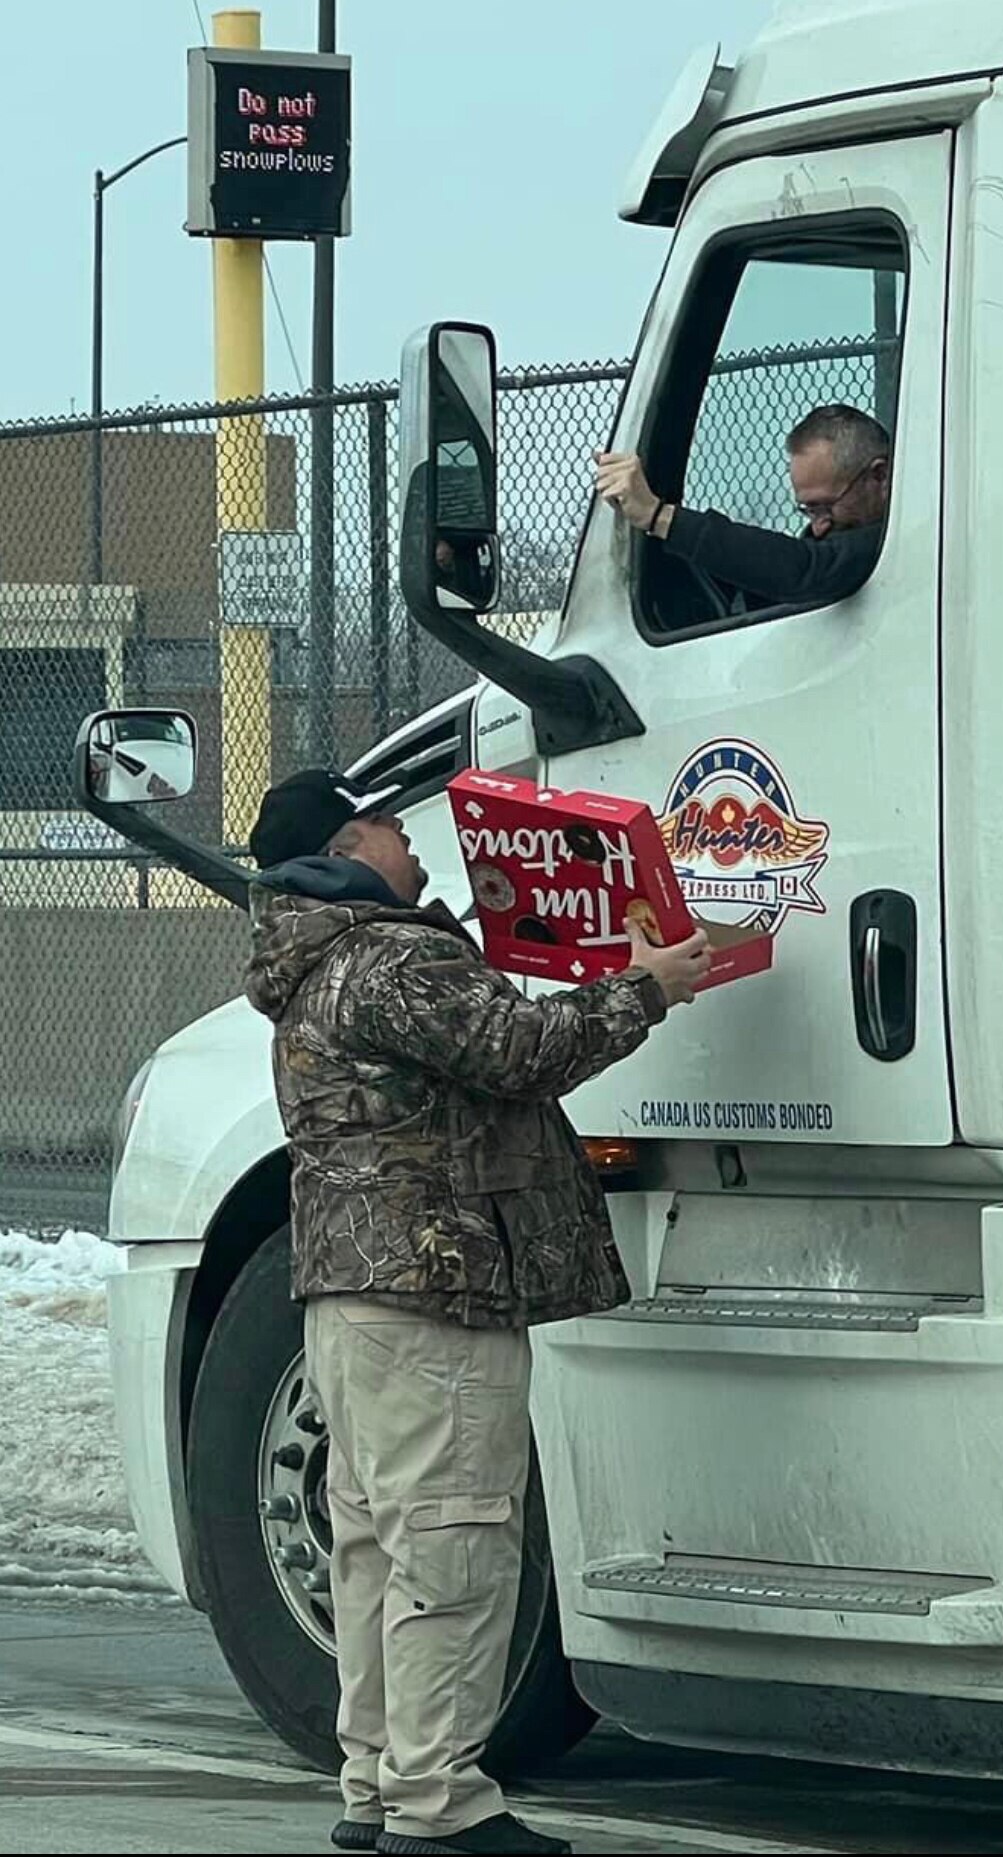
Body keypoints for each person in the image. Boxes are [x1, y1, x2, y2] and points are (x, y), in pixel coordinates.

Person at [244, 769, 711, 1857]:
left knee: (373, 1545)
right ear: (352, 839)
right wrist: (647, 988)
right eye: (398, 831)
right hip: (434, 1291)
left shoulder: (313, 967)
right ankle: (439, 1804)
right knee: (454, 1544)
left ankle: (376, 1782)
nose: (414, 852)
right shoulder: (389, 954)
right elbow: (521, 1051)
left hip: (354, 1300)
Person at [593, 402, 890, 612]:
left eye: (825, 506)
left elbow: (806, 569)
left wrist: (658, 516)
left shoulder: (899, 538)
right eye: (809, 510)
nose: (818, 525)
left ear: (879, 476)